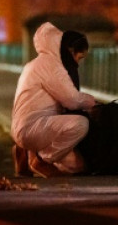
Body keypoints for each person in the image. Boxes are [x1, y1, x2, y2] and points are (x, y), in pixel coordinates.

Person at [10, 22, 96, 178]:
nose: (78, 62)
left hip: (25, 127)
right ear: (70, 51)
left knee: (77, 164)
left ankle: (25, 152)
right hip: (33, 128)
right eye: (79, 57)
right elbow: (72, 100)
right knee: (80, 125)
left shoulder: (35, 64)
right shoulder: (52, 65)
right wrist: (93, 102)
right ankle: (41, 160)